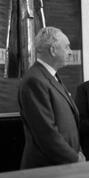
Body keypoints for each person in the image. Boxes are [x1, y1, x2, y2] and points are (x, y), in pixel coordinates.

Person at [18, 27, 85, 169]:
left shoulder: (50, 76)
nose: (70, 52)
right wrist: (74, 158)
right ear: (53, 50)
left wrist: (78, 151)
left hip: (63, 164)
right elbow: (46, 133)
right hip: (47, 168)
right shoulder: (34, 80)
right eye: (66, 47)